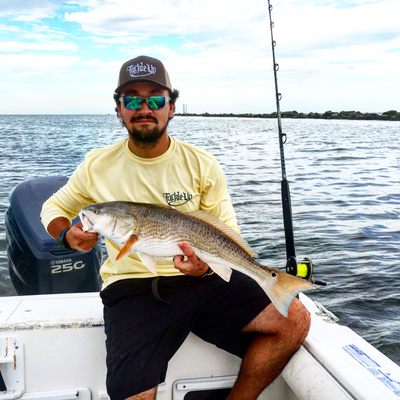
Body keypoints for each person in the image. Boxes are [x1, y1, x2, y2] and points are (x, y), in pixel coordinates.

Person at [41, 55, 310, 400]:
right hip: (133, 288)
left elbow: (225, 230)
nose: (144, 108)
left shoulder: (201, 163)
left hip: (203, 278)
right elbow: (54, 207)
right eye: (132, 100)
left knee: (295, 320)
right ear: (119, 108)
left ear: (172, 107)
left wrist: (204, 268)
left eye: (155, 99)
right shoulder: (97, 165)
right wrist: (66, 233)